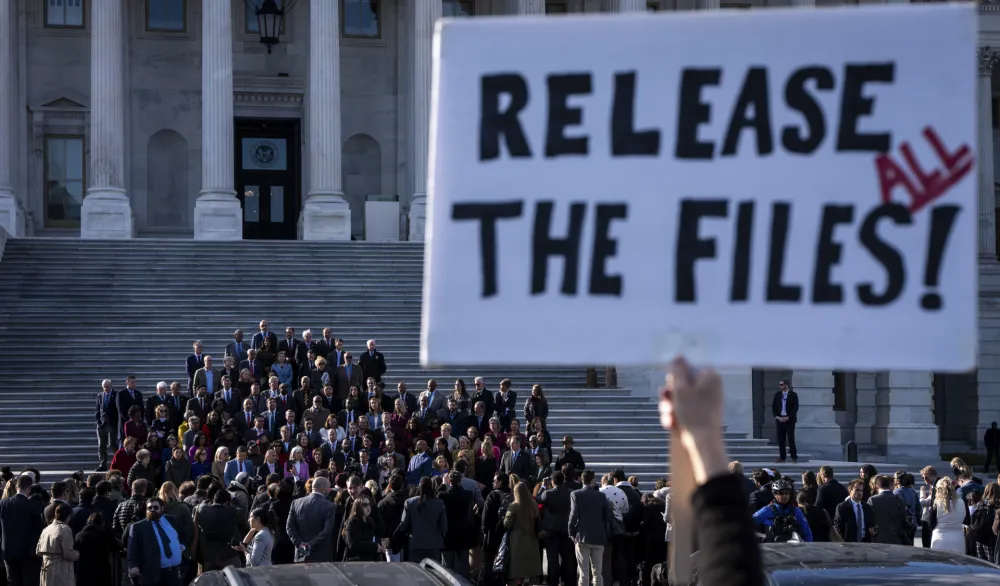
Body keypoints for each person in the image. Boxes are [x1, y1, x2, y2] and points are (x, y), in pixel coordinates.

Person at [0, 474, 46, 586]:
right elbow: (38, 529)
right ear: (29, 488)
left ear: (16, 487)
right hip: (28, 553)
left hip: (8, 551)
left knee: (12, 581)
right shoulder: (33, 506)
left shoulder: (3, 504)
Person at [127, 497, 184, 586]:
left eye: (155, 507)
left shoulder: (173, 520)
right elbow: (132, 549)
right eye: (150, 508)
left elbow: (182, 534)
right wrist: (133, 565)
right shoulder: (138, 527)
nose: (152, 510)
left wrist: (182, 545)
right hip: (153, 574)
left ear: (162, 508)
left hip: (174, 573)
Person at [569, 469, 611, 586]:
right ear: (593, 480)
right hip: (598, 536)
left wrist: (571, 532)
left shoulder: (576, 494)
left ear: (582, 480)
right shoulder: (601, 496)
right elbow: (607, 516)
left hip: (582, 536)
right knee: (598, 572)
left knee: (583, 572)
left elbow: (573, 515)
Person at [396, 477, 447, 563]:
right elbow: (444, 527)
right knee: (433, 574)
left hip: (415, 544)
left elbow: (403, 526)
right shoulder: (439, 503)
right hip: (433, 546)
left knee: (416, 573)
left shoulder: (409, 502)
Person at [286, 476, 338, 562]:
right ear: (322, 489)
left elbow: (289, 527)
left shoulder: (296, 503)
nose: (330, 490)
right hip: (321, 556)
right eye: (329, 487)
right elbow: (327, 531)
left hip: (301, 555)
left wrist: (301, 544)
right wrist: (309, 545)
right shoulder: (329, 506)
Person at [504, 481, 542, 585]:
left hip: (517, 541)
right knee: (529, 571)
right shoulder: (534, 504)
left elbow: (507, 524)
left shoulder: (514, 506)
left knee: (517, 570)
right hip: (532, 539)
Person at [36, 504, 78, 586]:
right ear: (68, 516)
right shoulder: (65, 529)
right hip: (60, 570)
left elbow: (38, 550)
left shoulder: (46, 529)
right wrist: (77, 554)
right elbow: (68, 554)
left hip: (46, 568)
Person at [929, 476, 967, 553]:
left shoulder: (937, 503)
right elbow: (967, 520)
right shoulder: (962, 502)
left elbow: (931, 524)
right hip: (958, 538)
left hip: (940, 538)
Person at [342, 497, 382, 561]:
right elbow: (353, 545)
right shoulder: (352, 522)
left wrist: (380, 545)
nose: (368, 507)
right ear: (358, 507)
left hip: (371, 561)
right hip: (357, 562)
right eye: (365, 505)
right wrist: (375, 547)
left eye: (369, 504)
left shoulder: (370, 521)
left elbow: (373, 538)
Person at [771, 379, 798, 463]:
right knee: (780, 439)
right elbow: (773, 407)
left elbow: (795, 408)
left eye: (782, 384)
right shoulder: (777, 395)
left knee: (791, 439)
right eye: (780, 384)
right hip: (780, 419)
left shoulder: (793, 395)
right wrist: (777, 417)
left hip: (789, 420)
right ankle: (782, 457)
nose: (780, 386)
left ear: (786, 385)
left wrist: (789, 417)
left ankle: (794, 457)